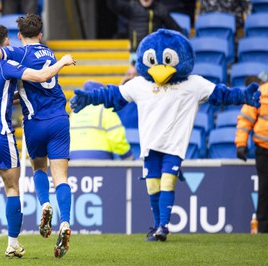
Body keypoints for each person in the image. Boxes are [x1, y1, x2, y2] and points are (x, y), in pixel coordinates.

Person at [70, 29, 261, 242]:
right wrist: (89, 98)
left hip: (174, 145)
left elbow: (221, 93)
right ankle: (156, 224)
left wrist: (243, 96)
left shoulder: (194, 83)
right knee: (152, 185)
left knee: (168, 182)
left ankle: (163, 226)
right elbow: (112, 94)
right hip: (150, 145)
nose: (161, 66)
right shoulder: (140, 84)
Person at [0, 24, 75, 261]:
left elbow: (1, 95)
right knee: (12, 188)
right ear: (5, 41)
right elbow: (42, 76)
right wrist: (63, 61)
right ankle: (13, 244)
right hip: (0, 132)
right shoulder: (8, 64)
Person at [235, 74, 268, 233]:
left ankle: (262, 227)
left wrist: (241, 145)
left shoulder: (259, 93)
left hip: (263, 149)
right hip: (263, 150)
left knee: (264, 190)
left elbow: (245, 120)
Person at [70, 80, 133, 160]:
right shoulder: (105, 109)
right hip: (100, 157)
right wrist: (127, 156)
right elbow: (116, 137)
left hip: (74, 157)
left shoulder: (75, 111)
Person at [107, 0, 184, 65]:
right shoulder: (131, 6)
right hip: (136, 52)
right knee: (133, 76)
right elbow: (114, 5)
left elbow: (176, 29)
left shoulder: (160, 9)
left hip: (154, 53)